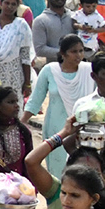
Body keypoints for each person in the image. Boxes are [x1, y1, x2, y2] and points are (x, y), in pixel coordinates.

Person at [22, 34, 95, 178]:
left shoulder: (90, 71)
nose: (79, 55)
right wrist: (22, 122)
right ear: (63, 53)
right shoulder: (50, 70)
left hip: (83, 129)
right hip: (56, 128)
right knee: (57, 172)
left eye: (81, 51)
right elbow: (36, 99)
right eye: (74, 51)